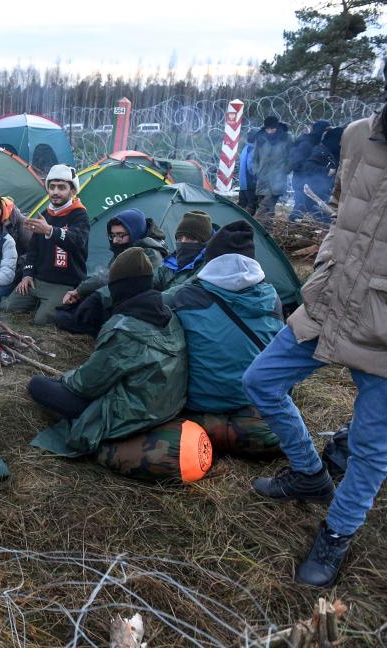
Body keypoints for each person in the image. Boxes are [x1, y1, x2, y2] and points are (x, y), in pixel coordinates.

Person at [241, 104, 387, 588]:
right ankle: (309, 473)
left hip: (384, 323)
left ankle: (337, 534)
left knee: (370, 450)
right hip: (330, 297)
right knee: (260, 380)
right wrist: (330, 259)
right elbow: (345, 208)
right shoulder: (357, 136)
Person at [29, 248, 187, 457]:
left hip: (133, 415)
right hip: (169, 405)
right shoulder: (168, 315)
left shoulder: (124, 329)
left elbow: (85, 385)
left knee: (38, 385)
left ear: (119, 288)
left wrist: (63, 378)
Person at [169, 221, 283, 454]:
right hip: (251, 399)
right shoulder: (272, 299)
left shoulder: (186, 297)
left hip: (199, 403)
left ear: (211, 260)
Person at [2, 164, 89, 325]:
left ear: (72, 191)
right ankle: (38, 302)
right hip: (38, 280)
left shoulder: (80, 215)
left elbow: (77, 240)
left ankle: (53, 305)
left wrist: (50, 231)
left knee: (41, 321)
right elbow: (33, 250)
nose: (55, 192)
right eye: (52, 187)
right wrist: (27, 274)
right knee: (7, 306)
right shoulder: (46, 214)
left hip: (64, 283)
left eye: (61, 188)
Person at [62, 207, 168, 307]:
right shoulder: (127, 247)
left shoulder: (150, 254)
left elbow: (113, 277)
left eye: (120, 235)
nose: (115, 240)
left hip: (139, 306)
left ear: (135, 232)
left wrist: (81, 291)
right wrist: (81, 292)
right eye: (112, 235)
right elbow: (108, 273)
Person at [153, 210, 213, 295]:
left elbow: (184, 291)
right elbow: (150, 279)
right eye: (180, 238)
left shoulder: (208, 265)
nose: (183, 243)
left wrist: (153, 301)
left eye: (190, 238)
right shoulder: (172, 261)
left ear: (204, 242)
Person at [298, 126, 343, 223]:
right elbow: (308, 167)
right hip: (314, 190)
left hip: (326, 190)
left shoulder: (336, 153)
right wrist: (327, 171)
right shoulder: (321, 151)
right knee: (300, 212)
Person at [252, 115, 292, 220]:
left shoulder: (286, 138)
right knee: (267, 207)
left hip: (277, 179)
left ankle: (256, 227)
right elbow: (255, 157)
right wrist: (256, 171)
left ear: (277, 127)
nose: (270, 131)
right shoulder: (260, 138)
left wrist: (286, 170)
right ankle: (267, 230)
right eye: (268, 128)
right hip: (262, 177)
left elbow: (291, 156)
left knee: (264, 206)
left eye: (272, 128)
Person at [290, 120, 330, 220]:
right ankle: (292, 227)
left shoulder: (316, 143)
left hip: (312, 183)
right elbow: (297, 164)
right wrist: (319, 171)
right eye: (325, 131)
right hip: (302, 182)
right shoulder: (307, 143)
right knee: (300, 207)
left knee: (312, 208)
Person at [237, 129, 260, 215]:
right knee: (251, 204)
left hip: (243, 182)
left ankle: (236, 219)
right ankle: (248, 223)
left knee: (242, 203)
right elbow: (251, 167)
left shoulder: (245, 148)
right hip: (250, 182)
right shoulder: (253, 150)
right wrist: (257, 176)